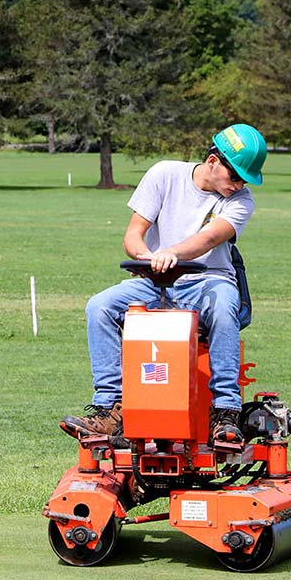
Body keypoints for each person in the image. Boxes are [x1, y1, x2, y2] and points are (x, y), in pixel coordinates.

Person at [61, 123, 267, 448]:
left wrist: (169, 253)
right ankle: (111, 411)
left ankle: (226, 412)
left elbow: (209, 239)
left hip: (208, 282)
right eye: (236, 176)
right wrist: (145, 257)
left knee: (226, 307)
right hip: (155, 283)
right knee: (99, 306)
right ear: (213, 161)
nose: (240, 184)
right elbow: (132, 235)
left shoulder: (241, 201)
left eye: (245, 179)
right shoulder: (164, 175)